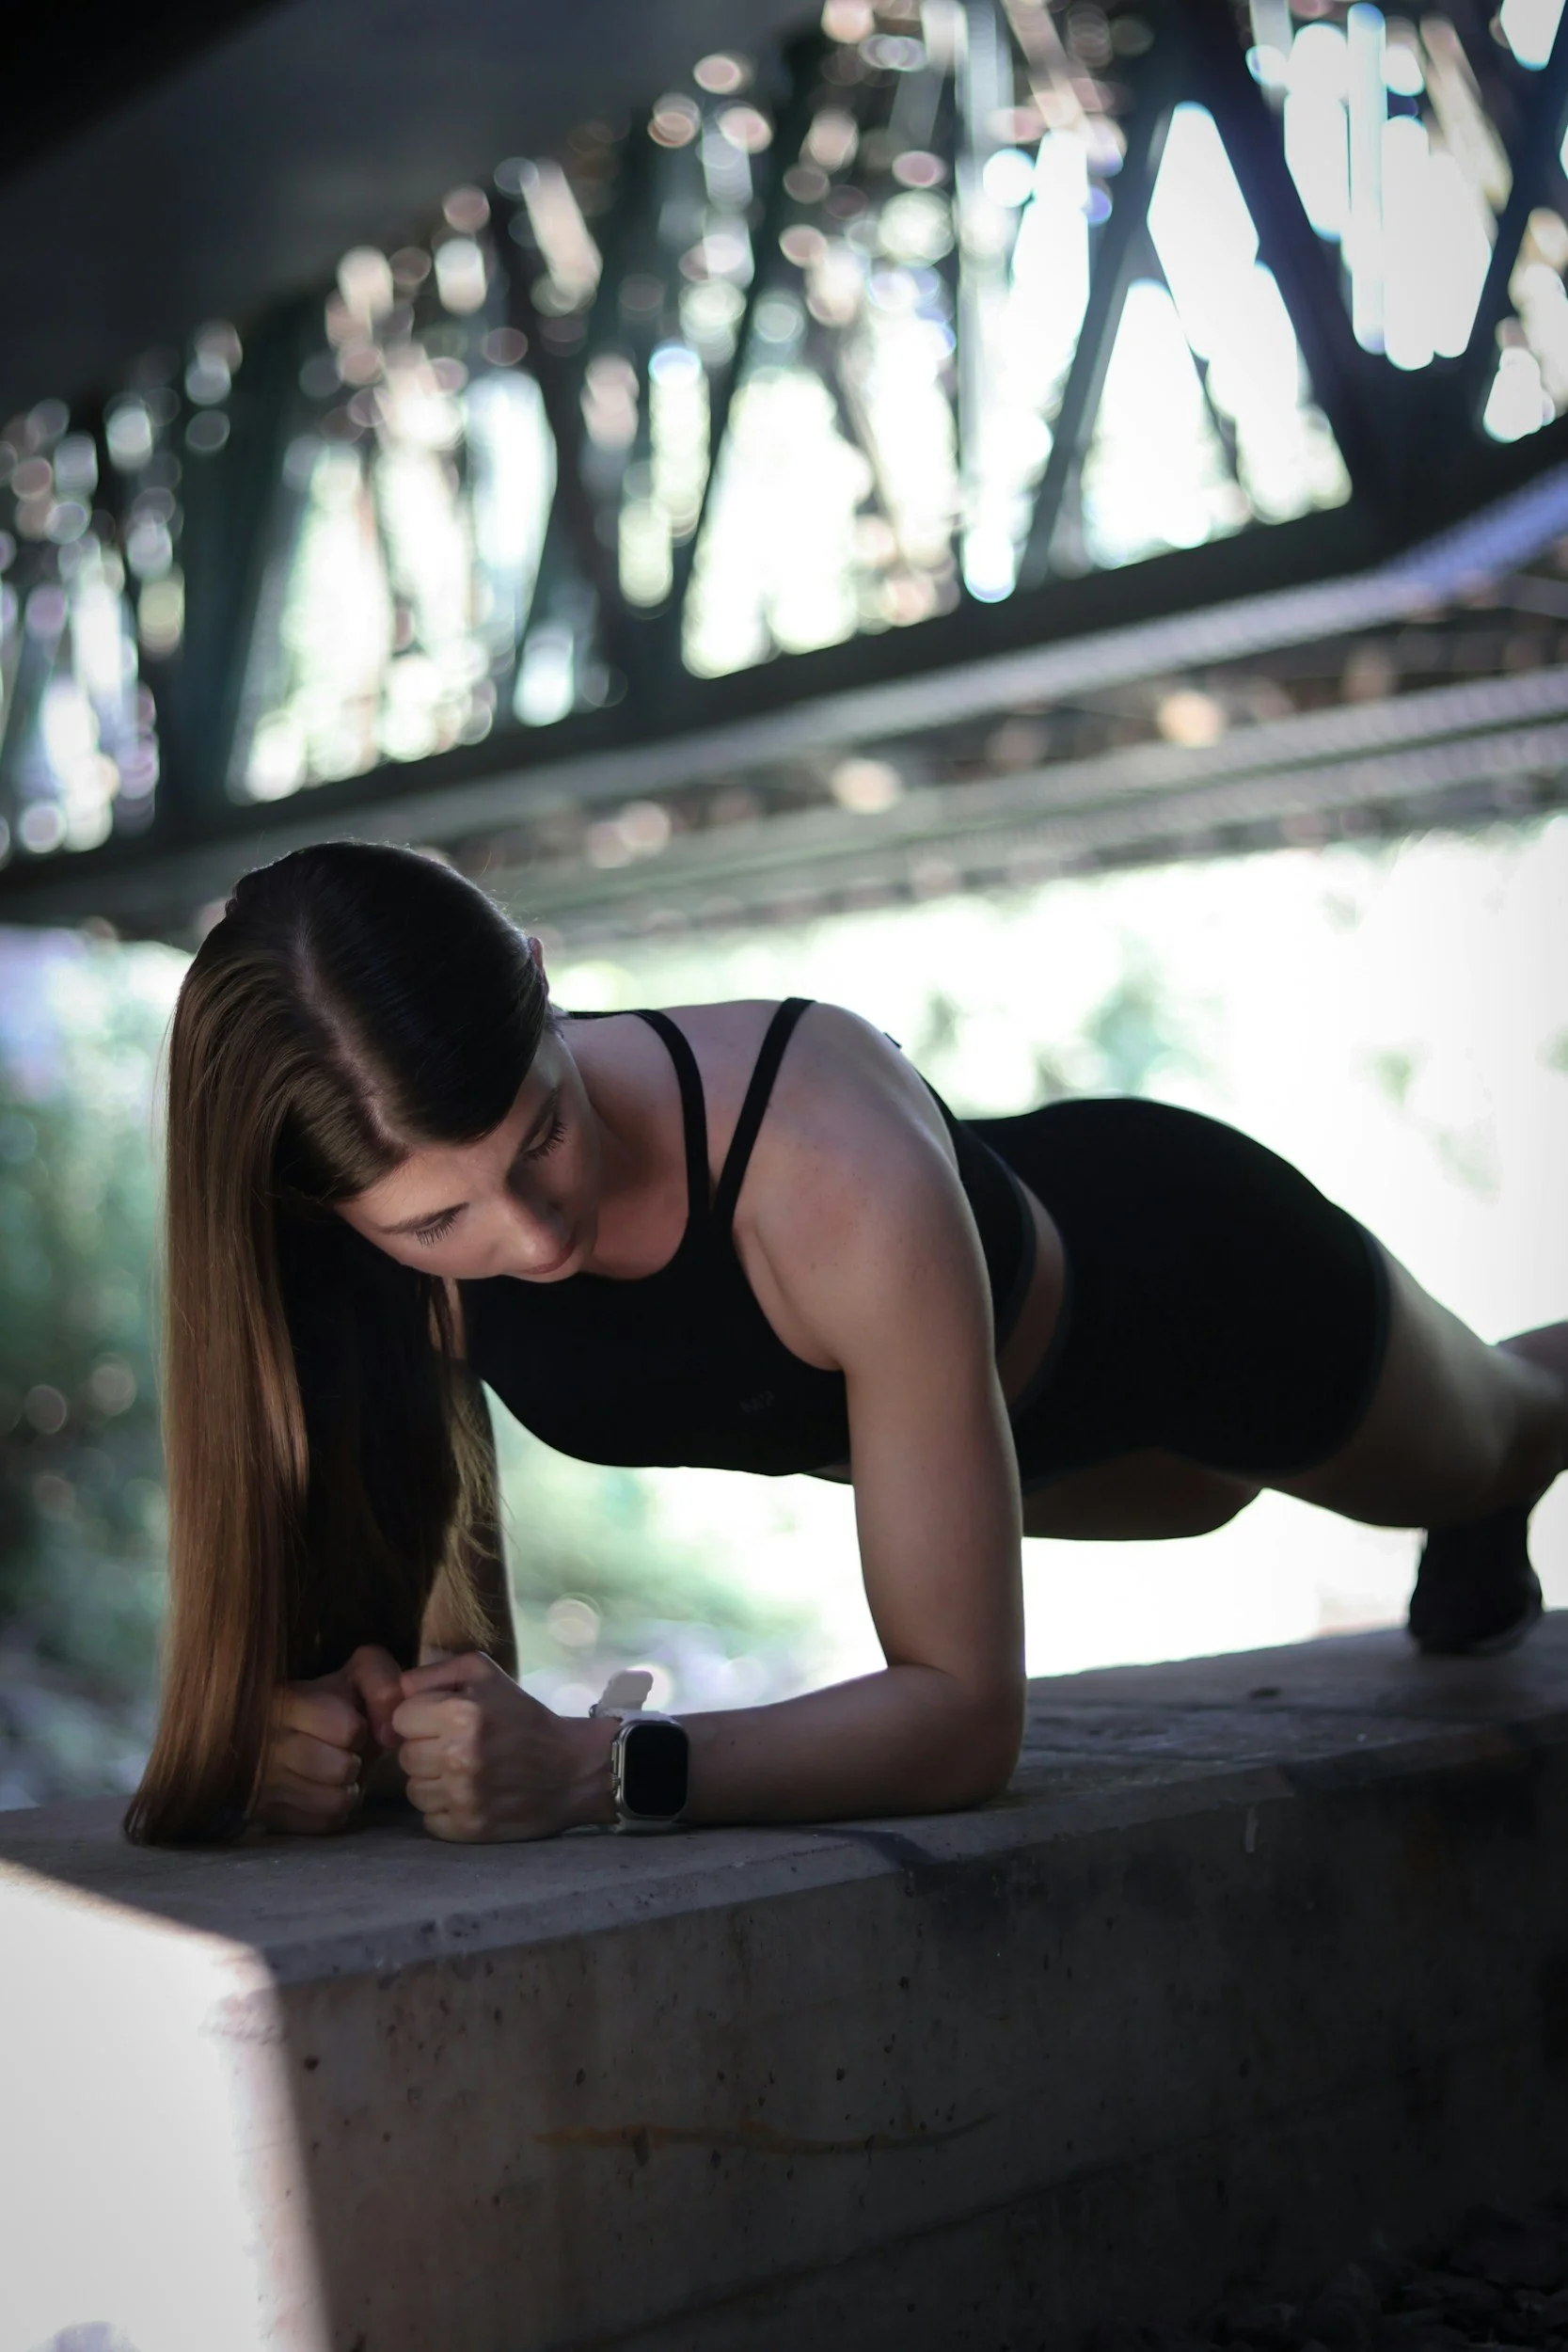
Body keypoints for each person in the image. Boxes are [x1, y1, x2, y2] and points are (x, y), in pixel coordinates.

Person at [124, 840, 1567, 1848]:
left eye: (544, 1135)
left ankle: (1503, 1468)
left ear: (544, 985)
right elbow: (347, 1609)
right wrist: (299, 1731)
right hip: (1040, 1463)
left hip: (1195, 1292)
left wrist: (594, 1769)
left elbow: (960, 1719)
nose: (537, 1237)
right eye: (443, 1225)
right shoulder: (345, 1192)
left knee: (1498, 1427)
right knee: (1216, 1497)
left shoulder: (822, 1162)